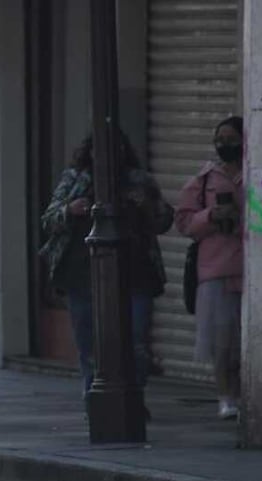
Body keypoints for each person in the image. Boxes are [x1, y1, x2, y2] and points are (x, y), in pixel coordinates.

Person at [39, 133, 172, 415]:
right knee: (89, 344)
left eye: (115, 149)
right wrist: (70, 210)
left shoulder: (139, 181)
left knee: (136, 341)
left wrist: (145, 206)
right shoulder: (75, 179)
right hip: (82, 274)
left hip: (135, 273)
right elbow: (49, 219)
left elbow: (163, 220)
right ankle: (94, 400)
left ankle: (133, 397)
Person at [174, 116, 245, 420]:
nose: (224, 145)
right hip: (216, 270)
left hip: (251, 269)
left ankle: (245, 394)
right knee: (222, 342)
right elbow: (184, 222)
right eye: (219, 140)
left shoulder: (258, 173)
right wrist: (211, 216)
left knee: (245, 343)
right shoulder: (204, 180)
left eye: (231, 139)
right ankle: (226, 397)